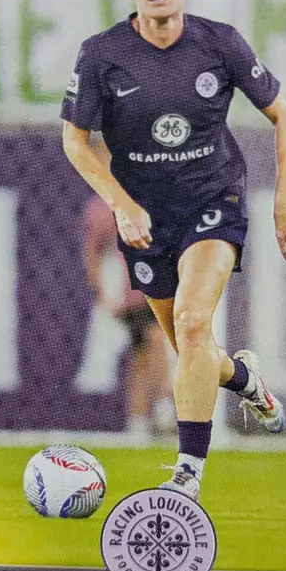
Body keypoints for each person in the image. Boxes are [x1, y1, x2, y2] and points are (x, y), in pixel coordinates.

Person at [61, 0, 286, 503]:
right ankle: (242, 378)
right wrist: (122, 204)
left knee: (194, 323)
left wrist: (284, 200)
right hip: (146, 220)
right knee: (190, 346)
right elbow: (75, 141)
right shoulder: (101, 54)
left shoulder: (220, 44)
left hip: (213, 201)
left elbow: (285, 116)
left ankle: (187, 475)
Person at [82, 190, 175, 444]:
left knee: (142, 357)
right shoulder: (103, 207)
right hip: (134, 293)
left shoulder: (155, 198)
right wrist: (103, 294)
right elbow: (93, 253)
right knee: (153, 343)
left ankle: (138, 419)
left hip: (157, 286)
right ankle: (162, 407)